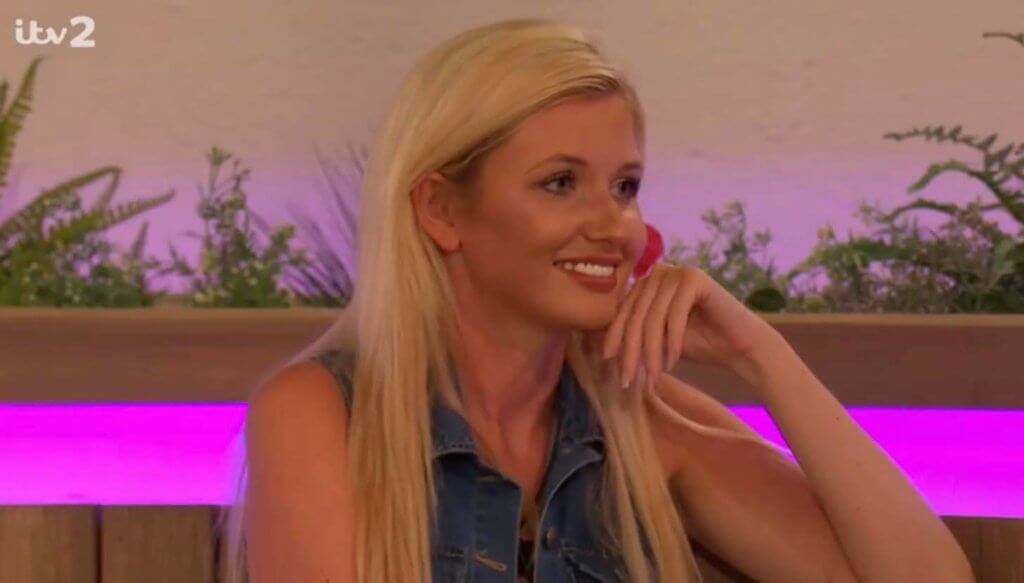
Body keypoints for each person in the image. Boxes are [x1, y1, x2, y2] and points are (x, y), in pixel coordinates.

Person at [219, 18, 975, 583]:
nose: (613, 224)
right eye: (560, 183)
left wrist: (761, 354)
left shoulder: (643, 420)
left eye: (625, 186)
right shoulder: (322, 413)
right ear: (442, 211)